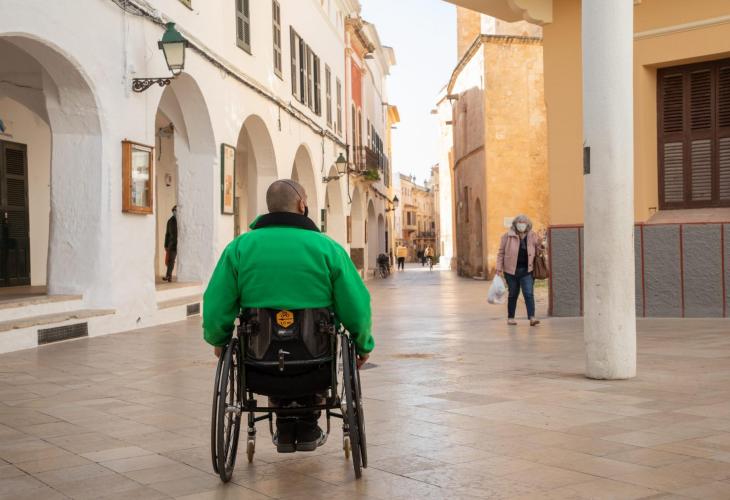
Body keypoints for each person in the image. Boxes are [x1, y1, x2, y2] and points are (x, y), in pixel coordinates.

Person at [203, 179, 373, 453]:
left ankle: (283, 421)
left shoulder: (240, 248)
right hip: (317, 362)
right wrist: (363, 344)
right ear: (302, 205)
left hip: (260, 363)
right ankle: (307, 423)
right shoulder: (327, 248)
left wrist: (218, 339)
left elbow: (216, 302)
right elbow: (356, 304)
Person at [496, 215, 542, 326]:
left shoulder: (533, 236)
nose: (521, 224)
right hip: (510, 271)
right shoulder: (507, 236)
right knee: (513, 294)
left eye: (523, 222)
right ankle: (511, 318)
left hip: (527, 270)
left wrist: (540, 246)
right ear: (515, 224)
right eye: (519, 222)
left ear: (527, 224)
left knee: (528, 294)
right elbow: (501, 253)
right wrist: (499, 268)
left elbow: (539, 251)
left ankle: (532, 318)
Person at [163, 206, 177, 282]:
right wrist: (166, 245)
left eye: (176, 210)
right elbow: (167, 234)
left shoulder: (182, 220)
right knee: (170, 260)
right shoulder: (170, 221)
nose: (175, 212)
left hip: (182, 244)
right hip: (172, 244)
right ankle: (168, 276)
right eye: (174, 211)